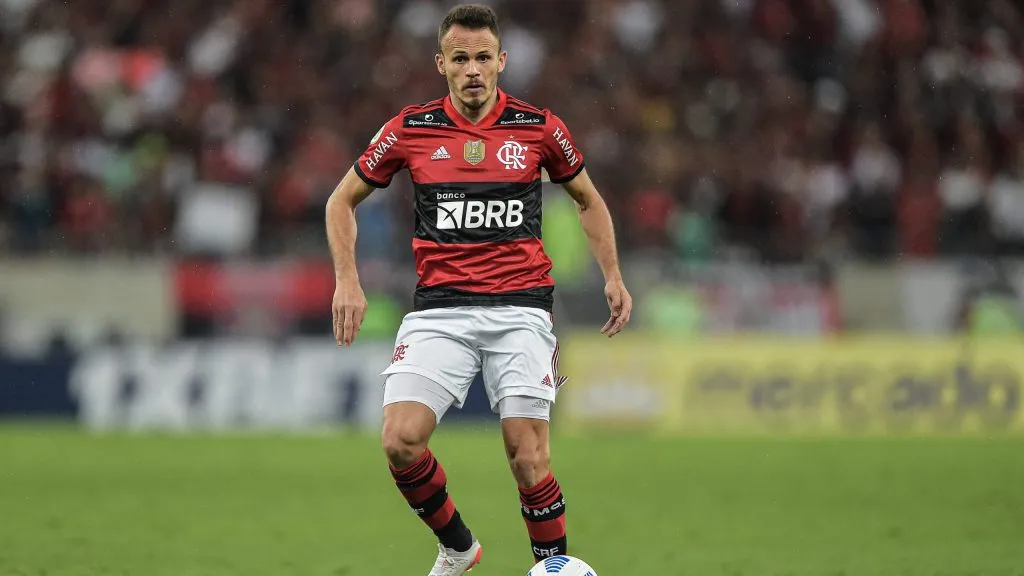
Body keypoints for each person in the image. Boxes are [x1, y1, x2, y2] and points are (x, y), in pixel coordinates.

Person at [325, 4, 632, 574]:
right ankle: (459, 547)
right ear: (441, 63)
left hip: (521, 311)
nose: (473, 69)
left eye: (483, 57)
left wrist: (612, 274)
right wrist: (348, 279)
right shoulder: (410, 129)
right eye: (460, 58)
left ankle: (553, 568)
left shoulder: (539, 127)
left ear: (502, 62)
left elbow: (588, 199)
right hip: (440, 312)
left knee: (528, 456)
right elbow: (340, 199)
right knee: (399, 441)